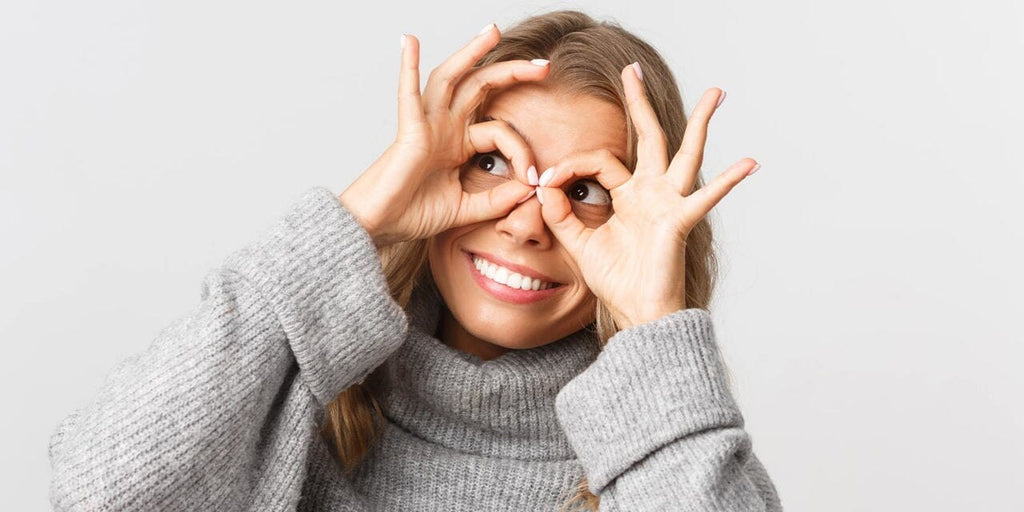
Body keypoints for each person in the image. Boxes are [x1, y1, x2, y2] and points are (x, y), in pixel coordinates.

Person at [48, 9, 781, 511]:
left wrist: (655, 323)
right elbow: (101, 495)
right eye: (494, 161)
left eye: (584, 190)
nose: (528, 224)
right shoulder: (291, 408)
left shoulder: (668, 461)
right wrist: (355, 223)